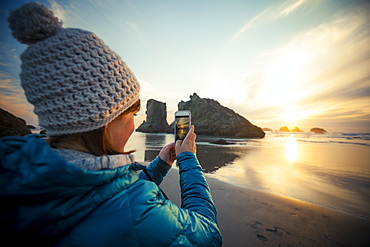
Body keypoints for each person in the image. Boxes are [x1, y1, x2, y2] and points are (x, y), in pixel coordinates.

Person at [0, 2, 222, 246]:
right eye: (132, 114)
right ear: (104, 120)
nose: (134, 125)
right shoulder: (139, 213)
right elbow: (207, 235)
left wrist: (161, 164)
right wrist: (188, 160)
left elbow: (103, 195)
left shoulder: (16, 167)